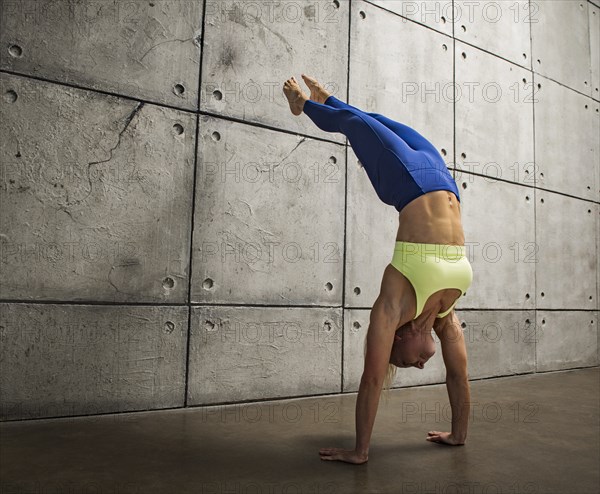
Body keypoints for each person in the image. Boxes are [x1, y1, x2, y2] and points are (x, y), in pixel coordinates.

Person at [283, 75, 474, 464]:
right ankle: (329, 100)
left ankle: (307, 106)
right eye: (418, 365)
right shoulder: (444, 315)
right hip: (442, 177)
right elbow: (459, 376)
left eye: (407, 362)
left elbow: (372, 380)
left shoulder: (393, 305)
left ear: (398, 340)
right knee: (379, 121)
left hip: (405, 182)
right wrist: (458, 434)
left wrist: (361, 450)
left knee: (361, 126)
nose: (421, 364)